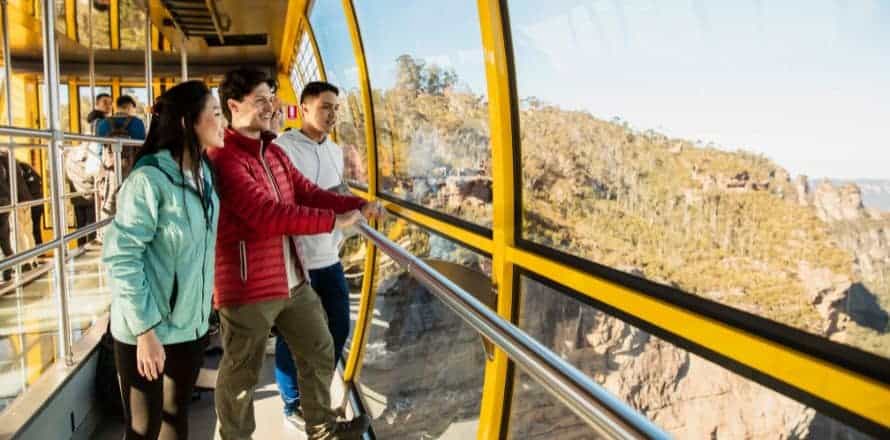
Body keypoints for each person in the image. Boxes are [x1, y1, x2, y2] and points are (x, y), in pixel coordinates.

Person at [208, 67, 381, 440]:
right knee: (242, 375)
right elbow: (266, 215)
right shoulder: (225, 158)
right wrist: (335, 221)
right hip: (247, 284)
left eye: (272, 99)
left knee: (320, 347)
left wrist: (358, 203)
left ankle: (323, 429)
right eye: (260, 101)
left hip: (292, 278)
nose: (270, 108)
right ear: (233, 106)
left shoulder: (272, 153)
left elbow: (306, 193)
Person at [102, 80, 222, 440]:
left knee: (175, 419)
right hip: (147, 330)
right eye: (215, 114)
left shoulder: (203, 175)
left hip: (190, 325)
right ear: (188, 122)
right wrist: (145, 332)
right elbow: (122, 258)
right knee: (144, 428)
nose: (223, 122)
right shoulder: (148, 181)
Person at [271, 81, 376, 428]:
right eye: (324, 107)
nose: (332, 114)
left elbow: (333, 192)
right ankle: (293, 405)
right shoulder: (282, 148)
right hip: (295, 258)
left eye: (335, 108)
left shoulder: (334, 151)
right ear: (304, 109)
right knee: (293, 334)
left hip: (328, 255)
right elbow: (287, 202)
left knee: (339, 326)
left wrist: (359, 206)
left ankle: (312, 391)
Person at [97, 95, 146, 217]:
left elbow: (99, 151)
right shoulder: (137, 123)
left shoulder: (103, 124)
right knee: (132, 207)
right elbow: (142, 150)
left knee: (109, 208)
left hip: (110, 173)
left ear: (116, 107)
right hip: (132, 171)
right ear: (129, 107)